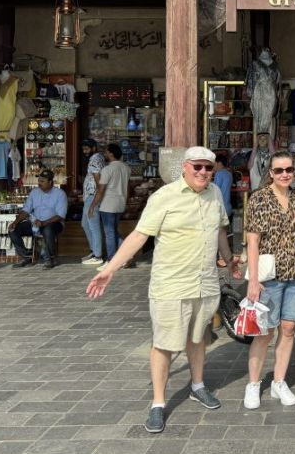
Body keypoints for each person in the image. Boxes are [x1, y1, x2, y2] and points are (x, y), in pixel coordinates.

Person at [86, 146, 234, 434]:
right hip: (171, 285)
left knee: (198, 338)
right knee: (164, 344)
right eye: (197, 167)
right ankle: (157, 402)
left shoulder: (215, 193)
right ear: (185, 167)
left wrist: (228, 260)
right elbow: (139, 235)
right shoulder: (164, 197)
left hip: (204, 282)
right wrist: (110, 269)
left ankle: (198, 386)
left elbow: (220, 230)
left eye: (208, 167)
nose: (203, 172)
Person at [243, 150, 295, 410]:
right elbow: (252, 241)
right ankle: (253, 383)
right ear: (270, 173)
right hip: (269, 276)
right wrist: (253, 279)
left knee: (289, 329)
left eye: (289, 170)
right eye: (279, 170)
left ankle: (279, 381)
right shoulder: (259, 198)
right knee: (265, 331)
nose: (284, 174)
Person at [8, 169, 67, 270]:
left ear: (50, 182)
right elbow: (26, 211)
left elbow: (60, 216)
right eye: (39, 180)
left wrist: (44, 223)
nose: (39, 183)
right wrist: (15, 222)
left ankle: (51, 259)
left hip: (54, 223)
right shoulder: (34, 192)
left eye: (42, 181)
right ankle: (26, 257)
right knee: (13, 229)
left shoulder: (60, 194)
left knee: (48, 230)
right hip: (36, 223)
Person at [90, 144, 131, 272]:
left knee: (109, 234)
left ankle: (111, 261)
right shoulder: (126, 168)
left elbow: (100, 190)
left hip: (108, 204)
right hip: (120, 203)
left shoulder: (107, 169)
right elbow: (127, 187)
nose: (105, 154)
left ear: (111, 154)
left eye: (106, 152)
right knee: (113, 232)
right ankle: (127, 256)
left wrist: (92, 205)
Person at [80, 138, 105, 266]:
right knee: (85, 224)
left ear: (94, 148)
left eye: (87, 149)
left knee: (93, 226)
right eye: (83, 149)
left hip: (93, 196)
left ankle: (98, 256)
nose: (85, 151)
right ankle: (94, 250)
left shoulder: (95, 160)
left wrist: (95, 200)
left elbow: (98, 181)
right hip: (90, 196)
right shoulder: (98, 158)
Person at [213, 153, 233, 221]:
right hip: (228, 208)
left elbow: (215, 190)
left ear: (219, 163)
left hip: (220, 209)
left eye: (214, 163)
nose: (213, 166)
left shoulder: (219, 174)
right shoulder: (229, 174)